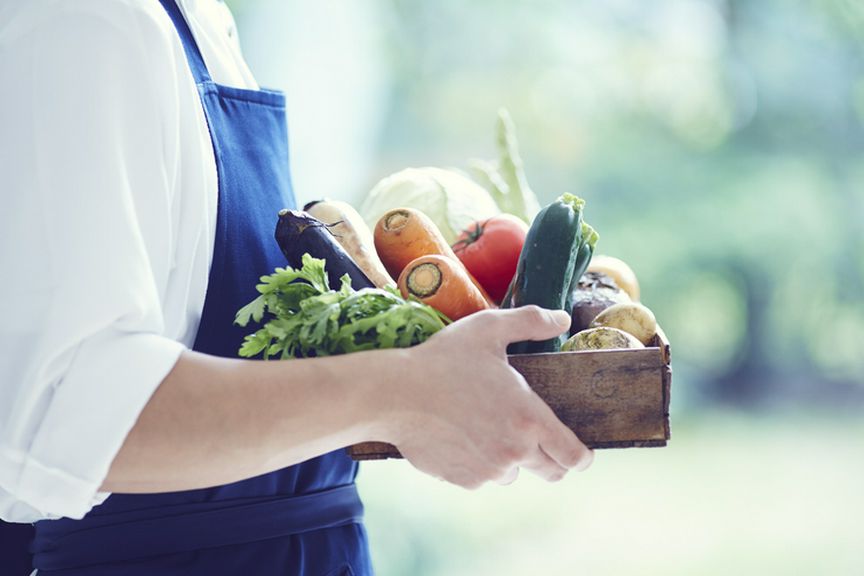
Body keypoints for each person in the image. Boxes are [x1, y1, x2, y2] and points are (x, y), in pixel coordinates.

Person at [0, 1, 594, 574]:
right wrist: (402, 395)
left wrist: (417, 395)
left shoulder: (199, 26)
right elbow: (57, 415)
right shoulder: (83, 24)